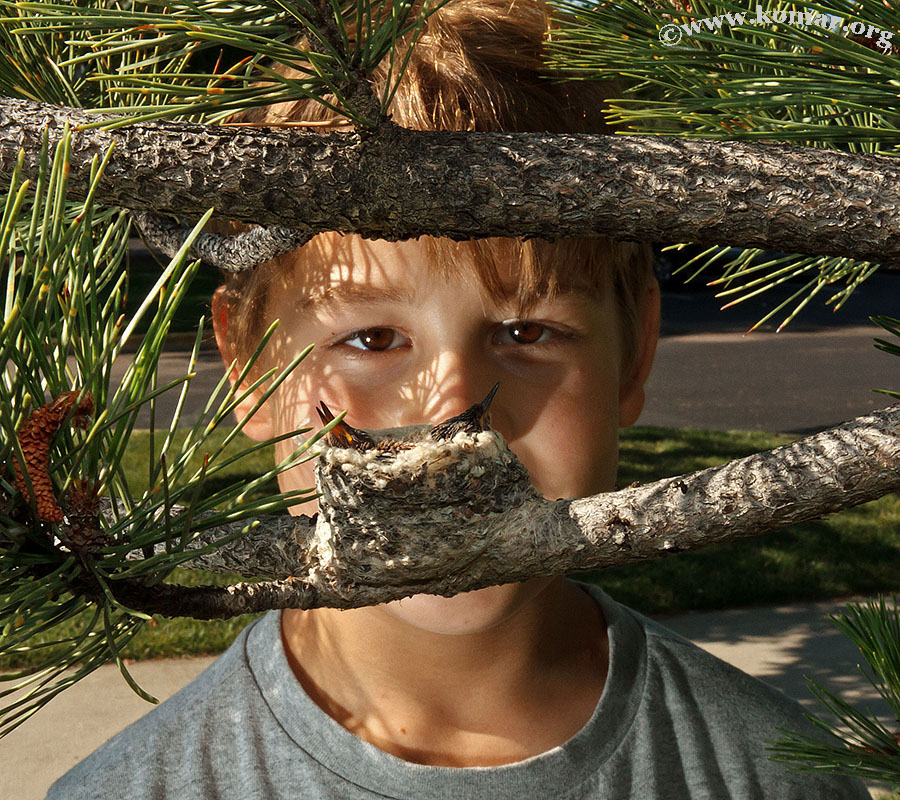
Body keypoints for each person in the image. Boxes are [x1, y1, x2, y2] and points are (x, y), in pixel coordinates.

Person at [48, 0, 870, 797]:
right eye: (371, 340)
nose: (450, 413)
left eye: (527, 332)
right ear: (247, 363)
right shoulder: (133, 788)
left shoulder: (781, 774)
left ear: (636, 349)